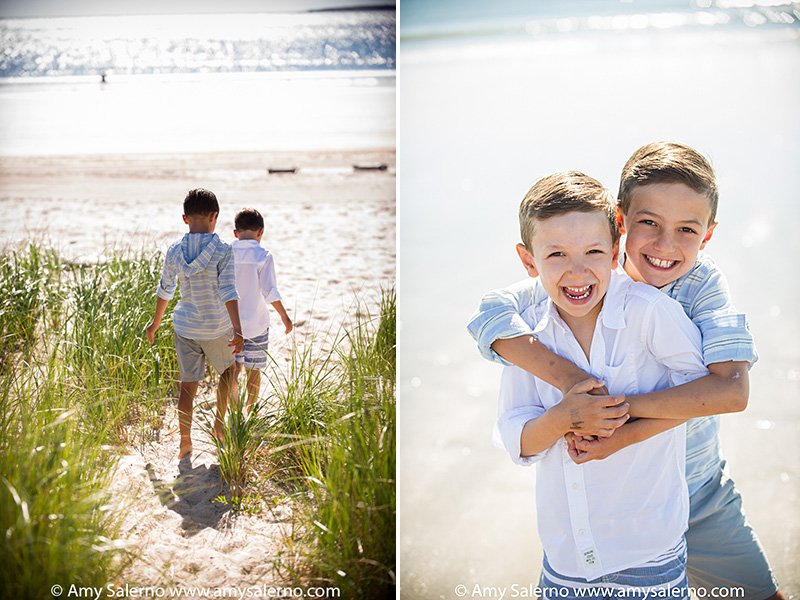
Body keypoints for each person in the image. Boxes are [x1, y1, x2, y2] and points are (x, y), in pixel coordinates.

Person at [468, 142, 784, 599]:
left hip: (698, 490)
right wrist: (570, 382)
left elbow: (732, 391)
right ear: (620, 222)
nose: (664, 245)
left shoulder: (701, 285)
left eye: (686, 230)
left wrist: (619, 420)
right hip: (614, 507)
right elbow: (489, 316)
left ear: (707, 235)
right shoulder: (578, 273)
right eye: (648, 224)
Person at [495, 170, 707, 597]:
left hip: (649, 551)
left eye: (592, 251)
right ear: (528, 261)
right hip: (566, 558)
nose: (577, 271)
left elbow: (701, 394)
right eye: (556, 255)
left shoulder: (649, 312)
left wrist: (623, 424)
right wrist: (561, 419)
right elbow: (517, 438)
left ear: (615, 253)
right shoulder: (529, 339)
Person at [146, 188, 244, 459]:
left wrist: (155, 323)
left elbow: (165, 289)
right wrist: (237, 329)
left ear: (185, 219)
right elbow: (228, 291)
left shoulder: (175, 251)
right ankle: (219, 424)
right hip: (215, 327)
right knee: (229, 372)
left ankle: (185, 441)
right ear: (215, 216)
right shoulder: (223, 251)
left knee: (187, 385)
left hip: (185, 327)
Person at [231, 207, 293, 410]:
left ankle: (233, 408)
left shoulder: (226, 253)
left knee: (233, 368)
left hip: (230, 325)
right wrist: (284, 315)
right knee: (254, 370)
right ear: (261, 232)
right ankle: (251, 411)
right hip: (257, 325)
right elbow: (269, 291)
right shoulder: (263, 255)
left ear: (235, 233)